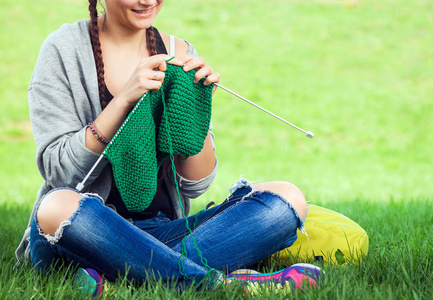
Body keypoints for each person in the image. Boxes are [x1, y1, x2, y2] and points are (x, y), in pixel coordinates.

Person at [16, 0, 321, 294]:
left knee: (287, 198)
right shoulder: (63, 48)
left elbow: (196, 184)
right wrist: (123, 100)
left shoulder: (180, 52)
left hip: (161, 230)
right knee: (56, 207)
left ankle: (116, 277)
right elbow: (60, 171)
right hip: (84, 229)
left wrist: (195, 111)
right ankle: (221, 282)